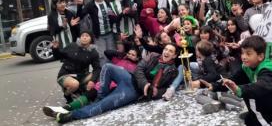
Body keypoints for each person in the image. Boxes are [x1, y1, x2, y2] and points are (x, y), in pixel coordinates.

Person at [44, 44, 178, 123]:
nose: (166, 52)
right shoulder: (153, 55)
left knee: (103, 105)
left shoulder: (173, 71)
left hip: (134, 92)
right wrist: (145, 84)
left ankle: (70, 116)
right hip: (130, 79)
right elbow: (139, 69)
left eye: (170, 51)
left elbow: (164, 88)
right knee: (107, 67)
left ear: (174, 56)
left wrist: (154, 92)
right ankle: (100, 97)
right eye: (166, 49)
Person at [201, 36, 272, 125]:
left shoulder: (267, 69)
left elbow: (261, 87)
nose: (243, 57)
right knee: (249, 116)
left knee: (252, 100)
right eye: (242, 53)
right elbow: (233, 80)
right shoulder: (247, 66)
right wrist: (214, 86)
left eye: (248, 53)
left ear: (260, 56)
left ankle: (263, 119)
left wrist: (239, 90)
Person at [51, 30, 101, 103]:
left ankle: (79, 90)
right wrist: (55, 49)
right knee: (74, 84)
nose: (84, 38)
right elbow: (58, 56)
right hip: (66, 74)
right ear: (80, 38)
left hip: (81, 75)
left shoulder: (93, 52)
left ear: (91, 39)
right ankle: (67, 94)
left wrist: (92, 81)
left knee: (96, 77)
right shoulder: (72, 45)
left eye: (87, 36)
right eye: (82, 36)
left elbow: (97, 68)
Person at [80, 0, 117, 66]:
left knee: (111, 54)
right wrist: (79, 5)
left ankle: (112, 74)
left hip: (110, 33)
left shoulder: (107, 2)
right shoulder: (90, 5)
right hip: (99, 36)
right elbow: (81, 15)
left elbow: (113, 15)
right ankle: (104, 74)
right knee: (102, 56)